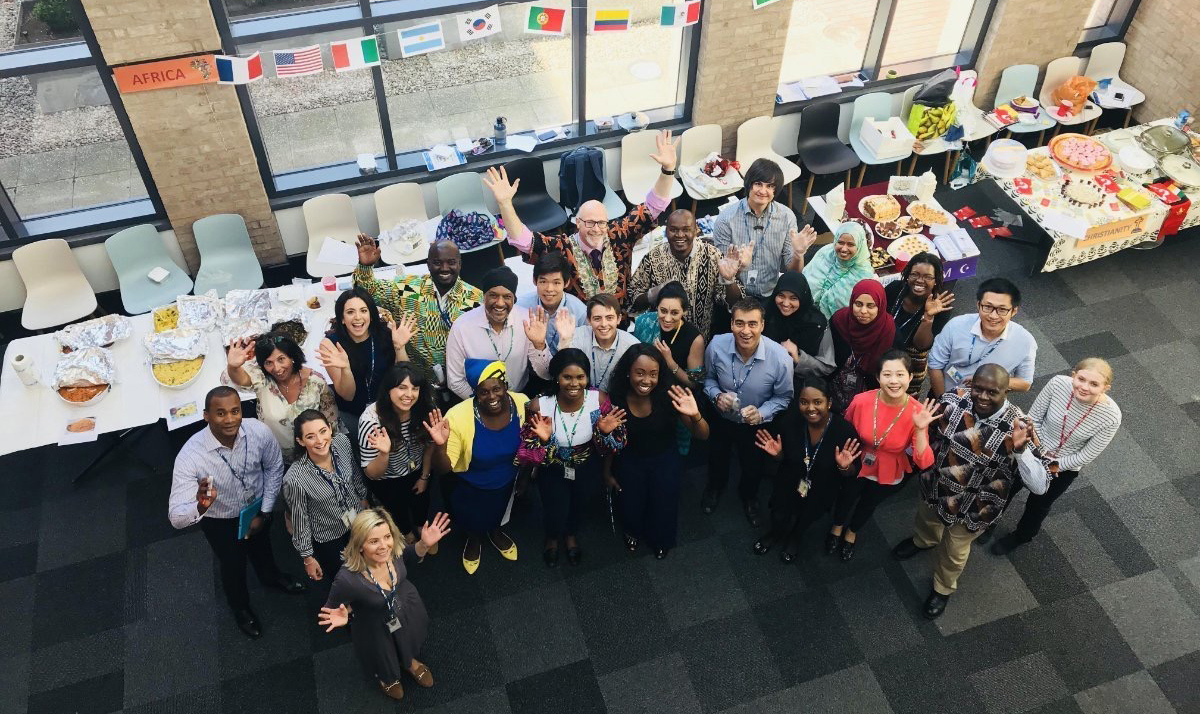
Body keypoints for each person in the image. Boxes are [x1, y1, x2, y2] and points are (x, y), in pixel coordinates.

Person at [892, 363, 1051, 619]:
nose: (984, 397)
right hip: (936, 486)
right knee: (926, 519)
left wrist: (1020, 451)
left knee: (955, 551)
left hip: (975, 504)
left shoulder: (1019, 426)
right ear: (971, 384)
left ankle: (942, 588)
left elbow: (1040, 486)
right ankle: (924, 541)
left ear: (1006, 391)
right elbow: (928, 433)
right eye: (979, 389)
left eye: (993, 392)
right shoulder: (953, 400)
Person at [168, 386, 306, 639]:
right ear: (206, 416)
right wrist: (200, 506)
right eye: (220, 413)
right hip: (221, 520)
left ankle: (271, 577)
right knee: (232, 565)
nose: (230, 419)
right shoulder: (190, 456)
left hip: (257, 508)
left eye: (235, 411)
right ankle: (240, 608)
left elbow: (274, 468)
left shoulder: (258, 431)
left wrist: (264, 513)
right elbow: (176, 517)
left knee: (264, 547)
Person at [484, 129, 680, 305]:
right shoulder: (562, 248)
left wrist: (668, 170)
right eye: (589, 223)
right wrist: (505, 204)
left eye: (601, 223)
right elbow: (523, 241)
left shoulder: (619, 233)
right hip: (578, 324)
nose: (596, 229)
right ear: (577, 223)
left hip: (619, 319)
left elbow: (653, 207)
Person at [991, 358, 1121, 555]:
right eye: (1081, 379)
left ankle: (1022, 536)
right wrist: (1036, 453)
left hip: (1063, 467)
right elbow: (1033, 419)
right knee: (1004, 488)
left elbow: (1087, 454)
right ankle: (990, 520)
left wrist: (1054, 465)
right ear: (1073, 375)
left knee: (1038, 504)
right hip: (1031, 449)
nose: (1084, 387)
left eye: (1094, 384)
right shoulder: (1058, 384)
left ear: (1105, 388)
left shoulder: (1111, 416)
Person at [318, 508, 450, 701]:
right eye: (373, 541)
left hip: (405, 606)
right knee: (382, 655)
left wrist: (423, 544)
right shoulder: (346, 579)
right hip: (373, 625)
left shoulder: (393, 549)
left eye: (387, 536)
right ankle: (387, 678)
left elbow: (409, 557)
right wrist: (346, 614)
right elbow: (331, 609)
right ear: (360, 545)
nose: (384, 546)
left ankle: (410, 662)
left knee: (408, 638)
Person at [517, 349, 627, 567]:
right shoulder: (540, 405)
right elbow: (527, 447)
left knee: (579, 503)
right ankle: (552, 537)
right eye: (567, 377)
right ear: (557, 377)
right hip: (553, 466)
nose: (574, 383)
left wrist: (605, 433)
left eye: (580, 377)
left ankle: (570, 535)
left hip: (587, 465)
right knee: (554, 508)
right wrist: (544, 443)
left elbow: (614, 444)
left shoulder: (599, 400)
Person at [828, 350, 939, 561]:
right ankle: (837, 525)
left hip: (889, 468)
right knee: (846, 495)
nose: (894, 381)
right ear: (878, 378)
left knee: (869, 502)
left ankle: (852, 531)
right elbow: (845, 431)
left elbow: (924, 462)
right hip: (857, 459)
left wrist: (919, 430)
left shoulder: (917, 412)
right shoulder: (861, 401)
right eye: (887, 375)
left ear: (910, 377)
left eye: (900, 374)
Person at [423, 359, 529, 574]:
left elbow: (531, 444)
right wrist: (439, 446)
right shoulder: (457, 416)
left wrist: (525, 477)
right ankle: (473, 541)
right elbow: (444, 469)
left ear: (505, 386)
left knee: (500, 512)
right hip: (470, 485)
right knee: (470, 518)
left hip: (507, 480)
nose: (491, 397)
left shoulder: (522, 403)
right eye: (483, 392)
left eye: (496, 389)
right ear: (475, 393)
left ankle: (496, 532)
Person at [608, 344, 709, 559]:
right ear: (628, 372)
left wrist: (695, 414)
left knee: (664, 502)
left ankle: (661, 539)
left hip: (664, 460)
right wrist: (606, 473)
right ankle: (632, 532)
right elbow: (611, 443)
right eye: (640, 373)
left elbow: (703, 435)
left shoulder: (668, 396)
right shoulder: (616, 397)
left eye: (653, 374)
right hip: (629, 461)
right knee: (630, 502)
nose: (647, 381)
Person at [702, 298, 795, 526]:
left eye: (752, 324)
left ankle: (749, 498)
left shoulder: (781, 359)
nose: (745, 331)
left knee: (753, 466)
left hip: (757, 424)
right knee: (717, 458)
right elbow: (708, 379)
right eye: (739, 323)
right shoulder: (715, 346)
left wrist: (762, 413)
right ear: (731, 324)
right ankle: (715, 488)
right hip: (722, 419)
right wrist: (716, 395)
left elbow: (784, 397)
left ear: (762, 325)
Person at [752, 377, 860, 563]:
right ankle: (776, 533)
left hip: (822, 488)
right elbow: (784, 458)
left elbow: (852, 473)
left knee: (807, 516)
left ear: (829, 403)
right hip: (788, 480)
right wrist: (777, 455)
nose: (810, 408)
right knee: (779, 511)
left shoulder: (844, 431)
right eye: (804, 402)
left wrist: (845, 466)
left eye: (817, 402)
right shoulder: (789, 422)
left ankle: (795, 537)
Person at [354, 235, 483, 385]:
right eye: (437, 263)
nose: (445, 268)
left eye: (451, 262)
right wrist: (365, 267)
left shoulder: (476, 300)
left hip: (460, 380)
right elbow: (368, 293)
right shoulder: (406, 288)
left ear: (460, 264)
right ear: (428, 265)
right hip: (414, 382)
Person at [284, 410, 370, 587]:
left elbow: (354, 473)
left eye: (323, 431)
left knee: (366, 561)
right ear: (300, 441)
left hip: (357, 519)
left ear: (330, 429)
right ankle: (347, 606)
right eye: (310, 436)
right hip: (328, 533)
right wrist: (308, 557)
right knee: (342, 575)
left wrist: (363, 498)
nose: (320, 440)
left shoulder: (342, 442)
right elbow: (300, 521)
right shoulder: (295, 479)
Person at [712, 158, 819, 301]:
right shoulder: (725, 220)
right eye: (758, 184)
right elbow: (725, 274)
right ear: (749, 184)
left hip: (771, 292)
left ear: (776, 190)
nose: (763, 191)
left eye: (770, 186)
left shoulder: (786, 217)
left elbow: (793, 272)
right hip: (736, 292)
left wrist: (798, 254)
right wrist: (741, 267)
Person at [626, 209, 743, 338]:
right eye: (673, 230)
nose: (680, 235)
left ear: (696, 230)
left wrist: (729, 280)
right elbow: (632, 299)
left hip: (701, 339)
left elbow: (734, 302)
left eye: (686, 229)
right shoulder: (653, 258)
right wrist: (653, 294)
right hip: (662, 340)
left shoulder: (712, 255)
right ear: (666, 231)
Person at [319, 287, 419, 437]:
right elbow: (347, 396)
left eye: (364, 311)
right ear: (341, 318)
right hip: (353, 412)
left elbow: (406, 377)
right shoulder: (330, 345)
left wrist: (399, 348)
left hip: (389, 406)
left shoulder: (386, 334)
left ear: (371, 315)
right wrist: (346, 368)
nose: (358, 317)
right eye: (350, 312)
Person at [225, 332, 339, 462]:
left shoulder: (316, 382)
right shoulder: (263, 381)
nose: (277, 368)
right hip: (277, 459)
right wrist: (233, 367)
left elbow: (332, 424)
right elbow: (241, 379)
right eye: (269, 362)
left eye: (281, 359)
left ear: (292, 356)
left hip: (317, 455)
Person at [357, 363, 436, 545]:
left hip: (417, 468)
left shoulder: (424, 409)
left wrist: (424, 476)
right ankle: (406, 533)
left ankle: (420, 527)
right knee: (396, 509)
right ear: (388, 390)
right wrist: (384, 454)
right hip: (387, 479)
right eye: (402, 388)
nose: (409, 395)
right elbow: (371, 473)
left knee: (421, 501)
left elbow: (429, 445)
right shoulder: (371, 421)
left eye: (414, 388)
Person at [445, 266, 548, 399]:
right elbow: (455, 381)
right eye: (493, 295)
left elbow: (545, 374)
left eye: (507, 297)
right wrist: (485, 404)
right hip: (478, 402)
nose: (500, 303)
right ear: (484, 297)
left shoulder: (527, 321)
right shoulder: (462, 326)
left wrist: (540, 345)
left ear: (514, 299)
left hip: (520, 397)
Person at [928, 277, 1036, 398]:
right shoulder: (956, 326)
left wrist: (989, 381)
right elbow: (935, 364)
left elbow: (1025, 383)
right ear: (978, 305)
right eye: (988, 307)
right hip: (946, 392)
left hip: (987, 404)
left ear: (1014, 311)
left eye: (1002, 309)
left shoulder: (1026, 341)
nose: (993, 316)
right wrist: (943, 401)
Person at [631, 282, 705, 455]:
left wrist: (669, 362)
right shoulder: (644, 322)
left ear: (684, 312)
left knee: (670, 452)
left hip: (674, 399)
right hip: (644, 393)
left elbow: (695, 384)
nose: (667, 318)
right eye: (663, 311)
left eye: (675, 313)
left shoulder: (694, 338)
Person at [532, 293, 638, 393]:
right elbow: (552, 374)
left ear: (619, 319)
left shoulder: (632, 345)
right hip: (578, 398)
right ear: (588, 320)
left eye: (609, 318)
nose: (604, 324)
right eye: (597, 318)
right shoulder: (575, 335)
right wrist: (546, 343)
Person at [883, 253, 954, 394]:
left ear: (936, 280)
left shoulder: (940, 307)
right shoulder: (894, 289)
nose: (920, 280)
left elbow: (921, 346)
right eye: (915, 274)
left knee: (900, 398)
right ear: (907, 275)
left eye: (927, 277)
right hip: (882, 349)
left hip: (911, 361)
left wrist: (928, 317)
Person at [828, 279, 896, 413]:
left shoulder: (889, 331)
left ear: (880, 306)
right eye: (858, 304)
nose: (863, 311)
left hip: (868, 394)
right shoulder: (839, 321)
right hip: (834, 387)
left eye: (871, 306)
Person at [763, 271, 834, 379]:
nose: (786, 303)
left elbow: (827, 367)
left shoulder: (817, 324)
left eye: (793, 298)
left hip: (797, 384)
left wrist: (798, 357)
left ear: (803, 297)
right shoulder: (766, 314)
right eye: (781, 296)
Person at [516, 251, 588, 357]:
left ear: (566, 283)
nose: (549, 289)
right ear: (535, 281)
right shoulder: (521, 307)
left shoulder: (580, 312)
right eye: (543, 282)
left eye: (556, 283)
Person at [802, 221, 875, 318]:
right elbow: (803, 280)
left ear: (859, 245)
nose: (844, 249)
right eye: (840, 242)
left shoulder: (864, 275)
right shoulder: (826, 253)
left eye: (850, 244)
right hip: (802, 308)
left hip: (830, 326)